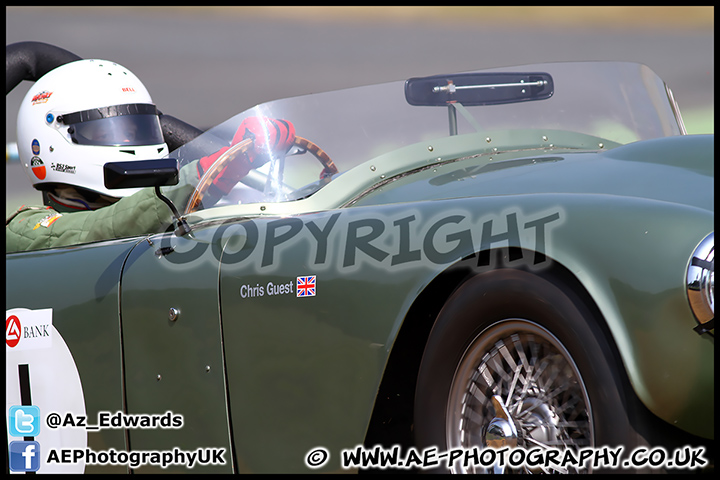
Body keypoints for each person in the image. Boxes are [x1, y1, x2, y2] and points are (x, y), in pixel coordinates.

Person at [6, 57, 295, 253]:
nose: (131, 142)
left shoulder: (162, 214)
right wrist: (211, 171)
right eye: (108, 132)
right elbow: (106, 226)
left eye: (139, 129)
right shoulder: (26, 231)